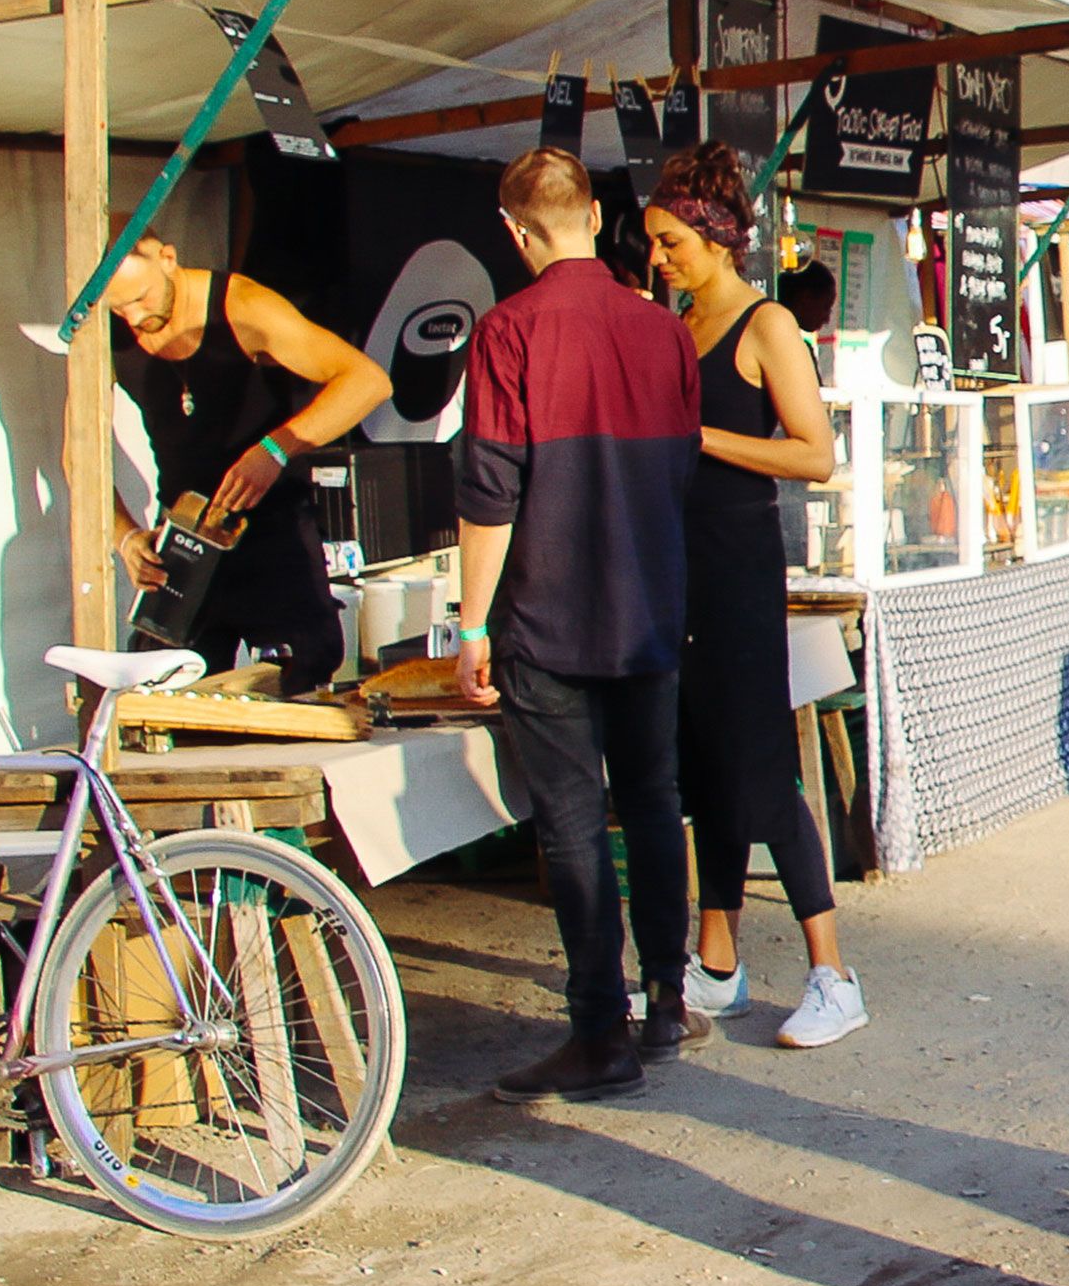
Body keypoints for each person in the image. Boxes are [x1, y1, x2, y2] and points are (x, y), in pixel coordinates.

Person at [455, 147, 703, 1103]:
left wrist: (470, 625)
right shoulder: (664, 331)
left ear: (514, 231)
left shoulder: (505, 331)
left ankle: (600, 1032)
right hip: (649, 603)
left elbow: (490, 491)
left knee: (570, 822)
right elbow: (680, 467)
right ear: (597, 218)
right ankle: (667, 1001)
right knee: (652, 801)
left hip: (550, 611)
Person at [642, 145, 868, 1051]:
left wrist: (697, 436)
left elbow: (814, 453)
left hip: (738, 561)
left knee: (761, 768)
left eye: (670, 242)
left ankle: (833, 974)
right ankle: (718, 963)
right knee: (704, 766)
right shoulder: (678, 325)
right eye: (653, 243)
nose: (658, 258)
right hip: (678, 564)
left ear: (716, 237)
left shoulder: (765, 323)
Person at [98, 234, 393, 693]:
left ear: (168, 258)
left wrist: (275, 450)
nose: (134, 318)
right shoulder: (104, 331)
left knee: (299, 684)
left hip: (272, 533)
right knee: (160, 693)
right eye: (119, 309)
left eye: (141, 298)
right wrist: (125, 536)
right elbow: (80, 453)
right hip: (186, 538)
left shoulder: (245, 306)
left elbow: (367, 381)